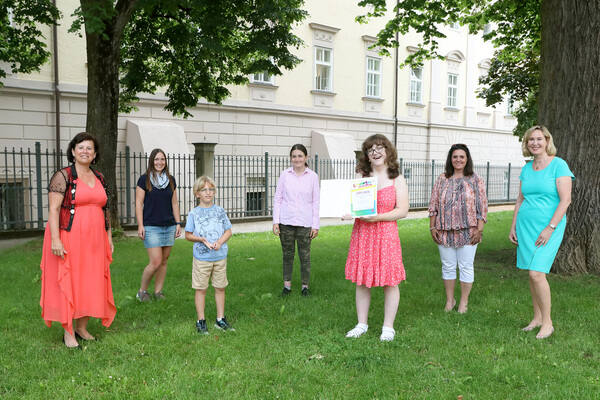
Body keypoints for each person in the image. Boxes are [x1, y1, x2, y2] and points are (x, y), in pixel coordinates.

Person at [40, 132, 116, 348]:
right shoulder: (63, 176)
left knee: (90, 281)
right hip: (69, 236)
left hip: (95, 240)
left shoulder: (99, 177)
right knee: (69, 281)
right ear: (73, 151)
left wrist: (108, 237)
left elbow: (105, 209)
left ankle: (82, 327)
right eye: (80, 147)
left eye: (89, 148)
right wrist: (56, 239)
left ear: (95, 154)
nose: (85, 151)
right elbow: (54, 210)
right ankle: (68, 331)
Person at [509, 125, 574, 340]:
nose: (535, 143)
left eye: (539, 139)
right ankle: (536, 318)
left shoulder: (559, 165)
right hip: (526, 227)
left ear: (547, 141)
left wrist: (550, 228)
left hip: (550, 227)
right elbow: (520, 199)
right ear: (526, 143)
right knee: (532, 272)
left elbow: (566, 200)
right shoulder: (527, 168)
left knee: (537, 273)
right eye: (531, 140)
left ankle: (548, 323)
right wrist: (513, 225)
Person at [344, 134, 409, 342]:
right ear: (367, 155)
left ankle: (388, 327)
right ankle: (361, 324)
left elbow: (403, 210)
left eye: (380, 147)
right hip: (363, 234)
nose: (376, 152)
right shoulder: (361, 176)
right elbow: (351, 204)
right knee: (362, 280)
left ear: (388, 151)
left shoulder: (396, 178)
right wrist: (347, 211)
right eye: (371, 149)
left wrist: (376, 218)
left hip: (386, 234)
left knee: (390, 281)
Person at [428, 144, 488, 314]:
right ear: (450, 159)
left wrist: (479, 229)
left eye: (462, 156)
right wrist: (432, 227)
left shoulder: (476, 180)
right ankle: (450, 301)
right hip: (444, 231)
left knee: (466, 266)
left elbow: (482, 207)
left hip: (469, 231)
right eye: (455, 157)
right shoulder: (442, 179)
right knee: (447, 266)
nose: (458, 160)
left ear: (467, 159)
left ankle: (464, 302)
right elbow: (433, 205)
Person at [185, 176, 234, 334]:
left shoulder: (220, 211)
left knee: (220, 287)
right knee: (201, 289)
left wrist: (219, 242)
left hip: (220, 257)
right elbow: (188, 235)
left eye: (211, 189)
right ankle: (201, 320)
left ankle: (220, 319)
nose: (208, 192)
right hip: (202, 258)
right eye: (204, 190)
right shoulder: (194, 213)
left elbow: (228, 231)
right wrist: (201, 239)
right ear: (197, 194)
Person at [273, 144, 320, 297]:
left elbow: (316, 202)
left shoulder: (313, 176)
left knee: (305, 257)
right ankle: (287, 287)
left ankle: (304, 287)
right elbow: (278, 198)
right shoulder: (285, 175)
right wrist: (275, 222)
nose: (297, 159)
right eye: (294, 156)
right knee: (287, 255)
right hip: (286, 222)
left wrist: (315, 225)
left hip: (305, 223)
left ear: (306, 158)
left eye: (300, 156)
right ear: (291, 158)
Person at [135, 148, 182, 302]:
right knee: (155, 261)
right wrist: (140, 225)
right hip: (151, 226)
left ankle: (158, 292)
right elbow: (138, 203)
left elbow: (174, 203)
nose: (159, 162)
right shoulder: (144, 179)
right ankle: (142, 291)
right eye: (156, 159)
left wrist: (177, 223)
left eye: (162, 159)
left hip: (168, 225)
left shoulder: (171, 180)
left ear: (165, 162)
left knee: (164, 261)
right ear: (151, 161)